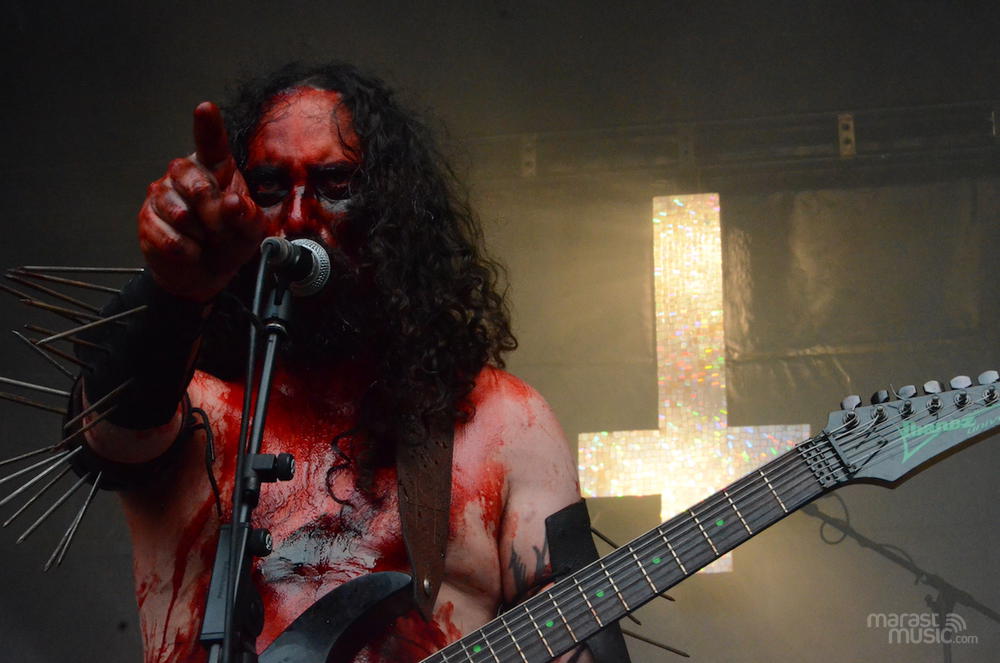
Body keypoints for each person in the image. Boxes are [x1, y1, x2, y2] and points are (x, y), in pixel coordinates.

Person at [72, 62, 626, 663]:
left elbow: (584, 640)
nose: (297, 218)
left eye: (336, 182)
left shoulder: (503, 423)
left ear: (393, 211)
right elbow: (105, 441)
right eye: (269, 186)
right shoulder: (191, 406)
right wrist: (175, 293)